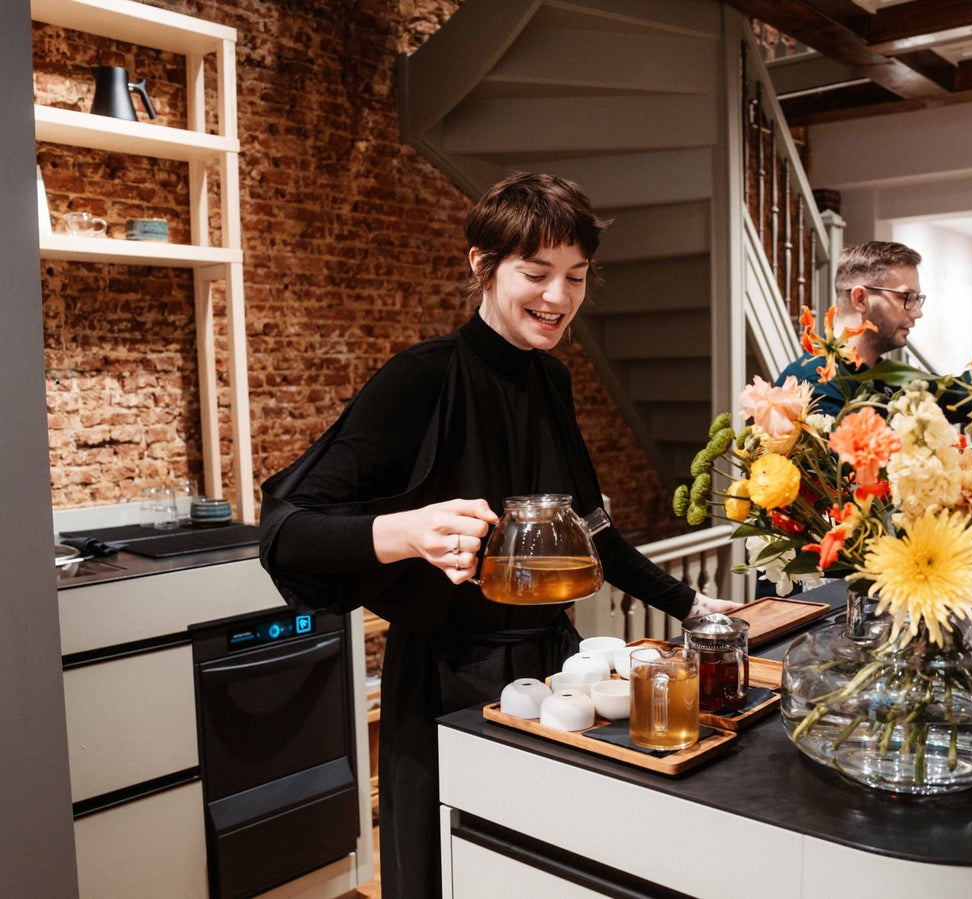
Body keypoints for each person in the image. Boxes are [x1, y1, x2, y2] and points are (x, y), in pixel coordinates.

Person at [257, 172, 737, 898]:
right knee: (451, 871)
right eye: (537, 273)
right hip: (445, 683)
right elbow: (285, 529)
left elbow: (593, 536)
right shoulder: (422, 378)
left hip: (557, 673)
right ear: (481, 264)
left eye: (576, 277)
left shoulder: (554, 381)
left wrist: (692, 606)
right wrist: (404, 531)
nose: (559, 296)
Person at [775, 241, 927, 414]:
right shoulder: (816, 383)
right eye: (906, 297)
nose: (917, 312)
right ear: (860, 299)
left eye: (917, 299)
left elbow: (952, 393)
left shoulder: (883, 374)